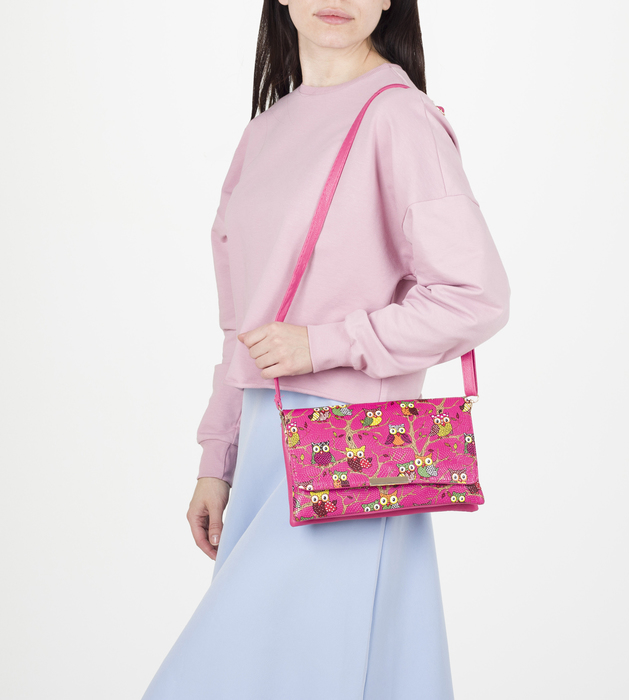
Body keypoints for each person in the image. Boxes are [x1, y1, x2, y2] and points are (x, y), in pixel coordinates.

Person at [140, 1, 510, 698]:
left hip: (348, 448)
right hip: (265, 442)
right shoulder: (264, 131)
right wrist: (218, 458)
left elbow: (474, 294)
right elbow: (241, 322)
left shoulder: (399, 117)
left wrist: (323, 345)